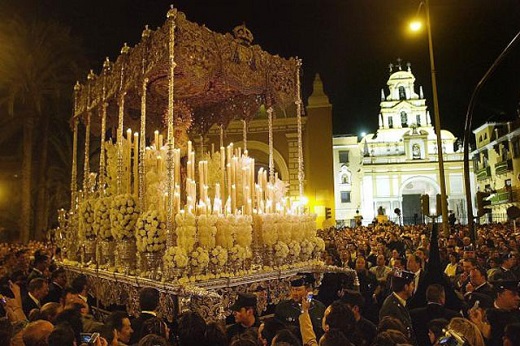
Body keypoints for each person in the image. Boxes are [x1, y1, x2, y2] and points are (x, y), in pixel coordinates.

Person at [470, 280, 520, 346]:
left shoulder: (517, 317)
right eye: (513, 294)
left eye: (518, 294)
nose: (518, 298)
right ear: (499, 294)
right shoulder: (483, 311)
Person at [275, 275, 326, 340]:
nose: (295, 293)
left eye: (298, 290)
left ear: (307, 290)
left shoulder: (319, 307)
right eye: (293, 290)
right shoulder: (283, 307)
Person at [379, 268, 417, 344]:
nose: (413, 288)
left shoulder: (400, 302)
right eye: (412, 285)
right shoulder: (391, 307)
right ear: (406, 287)